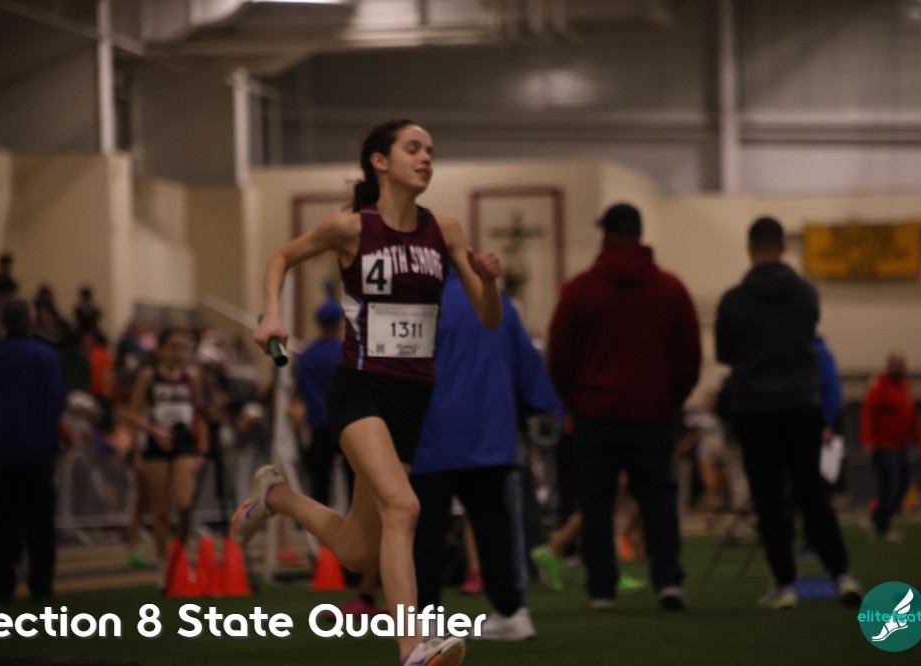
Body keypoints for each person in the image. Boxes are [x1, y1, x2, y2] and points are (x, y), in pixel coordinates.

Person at [231, 119, 502, 666]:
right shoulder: (351, 228)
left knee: (358, 549)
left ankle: (276, 497)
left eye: (430, 151)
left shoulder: (445, 230)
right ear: (380, 161)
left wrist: (489, 280)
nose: (426, 158)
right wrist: (273, 314)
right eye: (413, 149)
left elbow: (489, 318)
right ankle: (413, 647)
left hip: (413, 397)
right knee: (404, 506)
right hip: (360, 389)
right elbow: (280, 258)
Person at [548, 202, 701, 611]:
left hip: (595, 414)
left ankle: (602, 590)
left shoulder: (579, 290)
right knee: (658, 500)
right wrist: (670, 400)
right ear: (639, 234)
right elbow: (690, 357)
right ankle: (668, 581)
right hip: (653, 414)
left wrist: (576, 401)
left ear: (605, 235)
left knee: (596, 503)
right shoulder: (670, 289)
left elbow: (559, 358)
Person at [715, 216, 861, 609]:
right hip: (801, 406)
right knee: (813, 494)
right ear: (783, 247)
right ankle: (841, 574)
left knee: (769, 499)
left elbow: (724, 353)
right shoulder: (806, 295)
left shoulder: (733, 300)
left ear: (750, 249)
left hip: (755, 409)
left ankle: (785, 585)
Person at [410, 267, 558, 641]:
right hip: (490, 434)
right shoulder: (497, 301)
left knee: (425, 532)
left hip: (431, 434)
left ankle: (425, 620)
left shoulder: (419, 301)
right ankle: (511, 611)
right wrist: (535, 406)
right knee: (494, 527)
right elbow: (527, 363)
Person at [0, 299, 66, 602]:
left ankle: (1, 587)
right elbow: (56, 402)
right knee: (40, 525)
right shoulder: (45, 356)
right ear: (30, 322)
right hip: (37, 451)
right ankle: (41, 587)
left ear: (2, 323)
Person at [125, 327, 208, 577]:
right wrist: (150, 436)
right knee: (160, 511)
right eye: (173, 347)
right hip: (156, 446)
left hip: (184, 446)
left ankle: (181, 552)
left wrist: (202, 450)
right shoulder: (149, 376)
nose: (178, 353)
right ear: (161, 349)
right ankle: (165, 562)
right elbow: (131, 415)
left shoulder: (192, 377)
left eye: (182, 347)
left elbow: (200, 414)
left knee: (184, 503)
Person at [859, 352, 921, 541]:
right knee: (889, 484)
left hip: (901, 447)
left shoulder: (905, 387)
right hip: (883, 446)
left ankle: (876, 519)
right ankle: (881, 528)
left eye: (902, 365)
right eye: (896, 365)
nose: (899, 368)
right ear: (888, 365)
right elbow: (867, 414)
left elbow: (913, 417)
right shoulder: (879, 387)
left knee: (902, 485)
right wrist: (867, 440)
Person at [295, 297, 353, 507]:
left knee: (320, 483)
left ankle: (321, 525)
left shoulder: (307, 356)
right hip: (346, 424)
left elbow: (302, 390)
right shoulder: (347, 352)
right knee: (352, 480)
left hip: (319, 425)